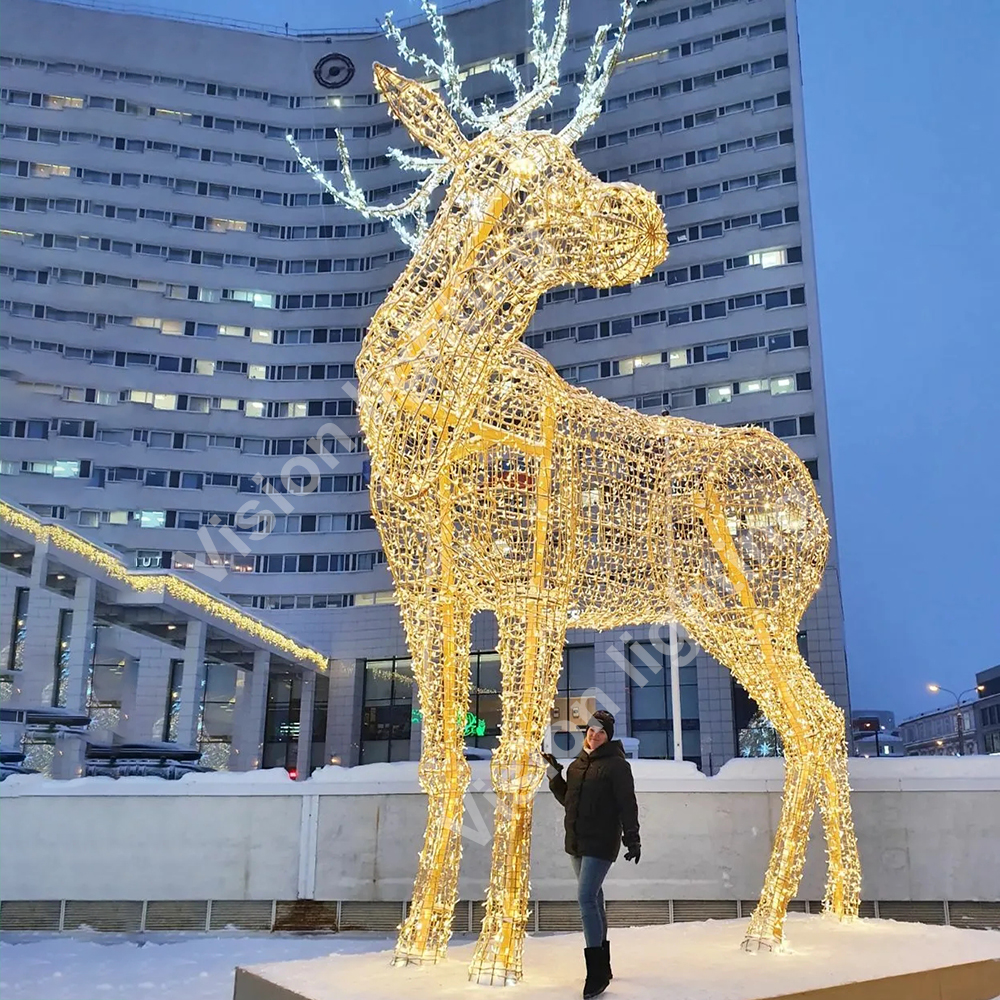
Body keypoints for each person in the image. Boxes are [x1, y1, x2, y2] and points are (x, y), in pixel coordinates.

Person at [543, 710, 640, 999]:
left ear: (608, 736)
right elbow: (568, 800)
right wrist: (553, 774)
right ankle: (605, 966)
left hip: (601, 842)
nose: (594, 735)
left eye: (601, 732)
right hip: (576, 842)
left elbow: (627, 804)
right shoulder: (576, 766)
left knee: (586, 898)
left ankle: (595, 973)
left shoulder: (617, 766)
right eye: (591, 731)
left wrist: (632, 838)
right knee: (594, 899)